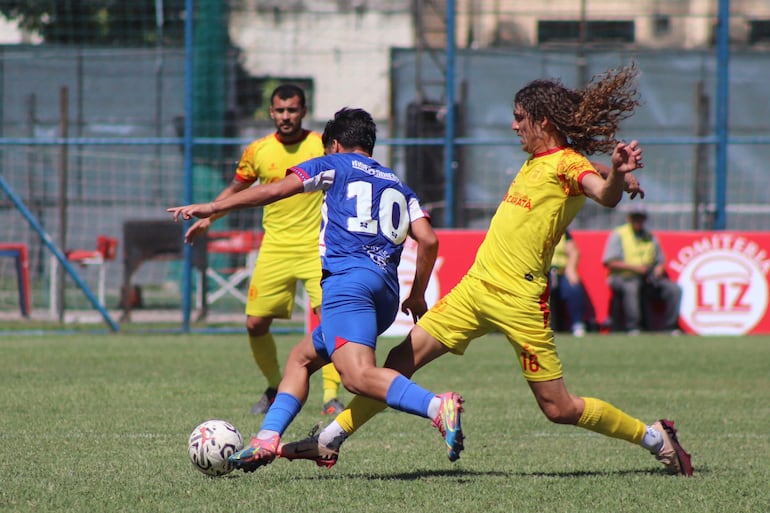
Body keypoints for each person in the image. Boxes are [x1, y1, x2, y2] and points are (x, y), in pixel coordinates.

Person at [277, 65, 694, 476]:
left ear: (540, 120)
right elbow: (590, 172)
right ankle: (329, 439)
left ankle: (655, 438)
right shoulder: (540, 159)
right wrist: (611, 171)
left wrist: (616, 177)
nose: (513, 127)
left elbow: (601, 194)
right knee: (398, 362)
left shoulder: (567, 165)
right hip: (474, 289)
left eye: (518, 118)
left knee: (559, 408)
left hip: (520, 300)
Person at [168, 107, 465, 472]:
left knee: (356, 377)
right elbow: (429, 241)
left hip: (347, 285)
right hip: (384, 293)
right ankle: (267, 438)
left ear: (335, 144)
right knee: (301, 358)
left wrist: (213, 207)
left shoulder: (334, 164)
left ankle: (438, 407)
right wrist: (416, 294)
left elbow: (275, 190)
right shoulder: (399, 184)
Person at [184, 84, 344, 416]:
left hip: (317, 248)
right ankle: (274, 385)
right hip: (275, 249)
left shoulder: (320, 146)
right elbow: (237, 189)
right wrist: (210, 217)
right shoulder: (257, 150)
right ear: (271, 113)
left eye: (293, 110)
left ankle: (331, 396)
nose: (286, 116)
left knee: (331, 321)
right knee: (255, 324)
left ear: (303, 111)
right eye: (280, 110)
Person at [602, 203, 683, 335]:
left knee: (674, 289)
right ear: (629, 218)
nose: (637, 221)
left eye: (640, 218)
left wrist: (659, 268)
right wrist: (635, 268)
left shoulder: (650, 237)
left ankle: (671, 327)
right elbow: (610, 262)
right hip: (622, 276)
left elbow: (660, 260)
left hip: (648, 277)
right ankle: (634, 327)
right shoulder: (619, 234)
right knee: (631, 287)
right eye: (635, 217)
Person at [549, 229, 592, 337]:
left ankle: (577, 323)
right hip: (542, 272)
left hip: (562, 271)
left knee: (574, 288)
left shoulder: (562, 230)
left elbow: (574, 251)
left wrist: (571, 269)